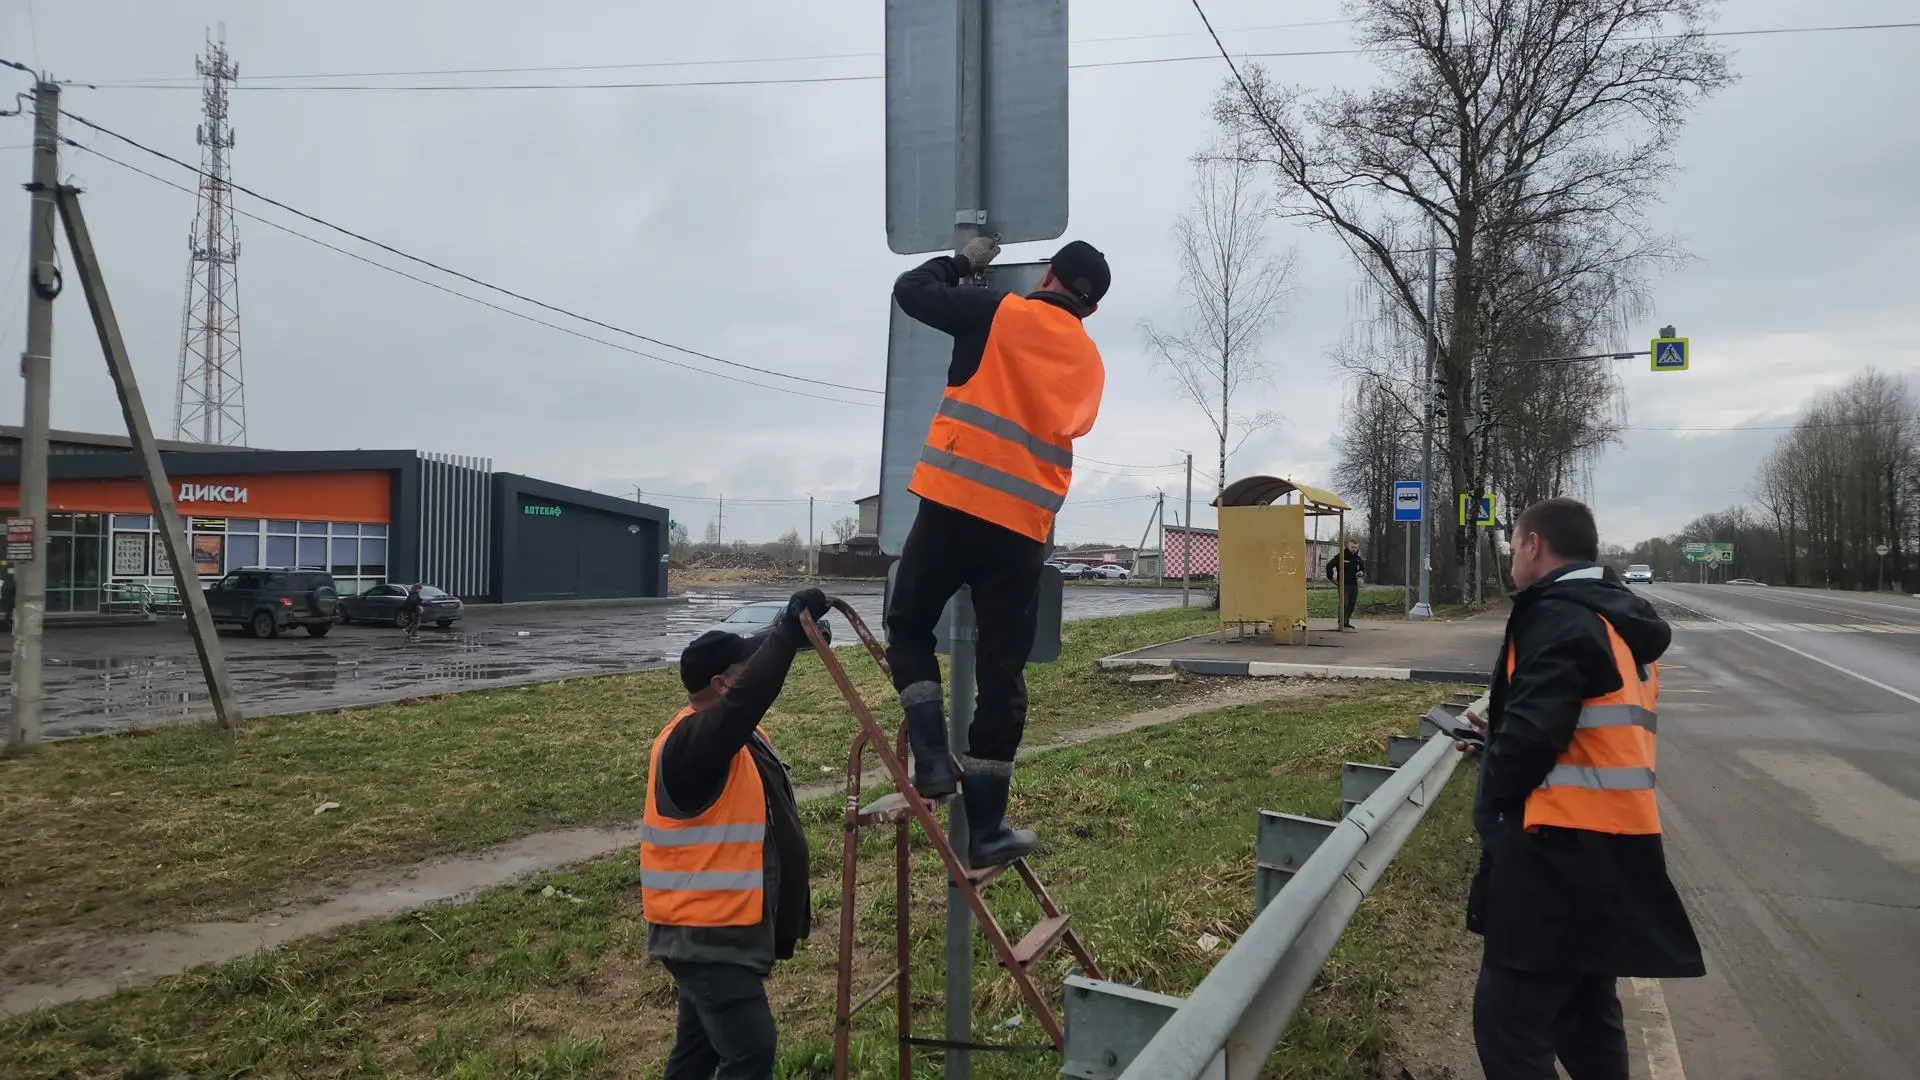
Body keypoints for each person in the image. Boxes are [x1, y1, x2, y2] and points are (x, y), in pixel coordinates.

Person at [885, 234, 1111, 867]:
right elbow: (1071, 422)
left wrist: (963, 263)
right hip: (1021, 529)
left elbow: (911, 292)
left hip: (953, 504)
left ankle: (933, 759)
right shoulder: (1091, 362)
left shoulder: (996, 310)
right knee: (1002, 674)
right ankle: (986, 830)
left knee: (908, 626)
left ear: (1046, 275)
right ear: (1091, 309)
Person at [1459, 497, 1703, 1080]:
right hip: (1615, 843)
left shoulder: (1559, 616)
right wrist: (1499, 740)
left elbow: (1534, 739)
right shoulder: (1615, 618)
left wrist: (1497, 784)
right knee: (1587, 1020)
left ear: (1535, 545)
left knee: (1509, 1026)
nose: (1512, 557)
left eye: (1514, 546)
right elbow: (1584, 730)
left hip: (1556, 850)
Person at [643, 587, 828, 1080]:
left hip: (715, 931)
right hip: (705, 936)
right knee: (750, 1051)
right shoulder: (691, 743)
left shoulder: (737, 738)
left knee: (697, 1054)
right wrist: (784, 636)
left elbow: (748, 698)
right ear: (722, 684)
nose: (753, 670)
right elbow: (749, 700)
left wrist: (795, 634)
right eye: (746, 667)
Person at [1324, 539, 1366, 630]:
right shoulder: (1341, 556)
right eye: (1352, 547)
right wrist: (1331, 578)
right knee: (1344, 604)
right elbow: (1329, 565)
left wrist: (1362, 574)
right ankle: (1341, 623)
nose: (1354, 549)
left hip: (1354, 585)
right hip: (1344, 585)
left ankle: (1346, 622)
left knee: (1352, 604)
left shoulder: (1358, 559)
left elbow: (1363, 569)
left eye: (1356, 547)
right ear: (1348, 546)